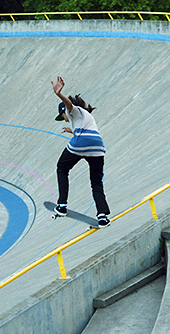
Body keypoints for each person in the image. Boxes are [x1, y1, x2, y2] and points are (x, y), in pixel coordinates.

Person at [51, 76, 111, 228]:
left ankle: (62, 205)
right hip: (98, 146)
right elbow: (86, 133)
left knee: (62, 168)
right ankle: (102, 215)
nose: (64, 119)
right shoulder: (86, 117)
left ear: (64, 111)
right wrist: (72, 131)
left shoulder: (73, 111)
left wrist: (59, 94)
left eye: (62, 116)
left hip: (82, 143)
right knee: (96, 182)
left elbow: (69, 105)